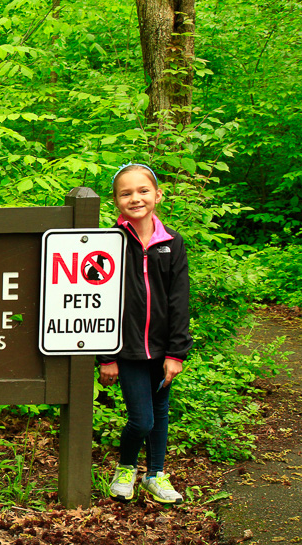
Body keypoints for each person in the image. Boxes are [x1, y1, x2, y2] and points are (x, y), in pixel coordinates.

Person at [98, 164, 192, 505]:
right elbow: (99, 302)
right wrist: (106, 355)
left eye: (143, 191)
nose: (135, 198)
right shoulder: (109, 243)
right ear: (116, 201)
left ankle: (155, 474)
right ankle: (125, 467)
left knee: (160, 412)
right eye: (126, 193)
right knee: (142, 419)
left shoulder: (172, 243)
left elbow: (179, 301)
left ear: (157, 195)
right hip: (127, 350)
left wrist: (176, 353)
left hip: (163, 349)